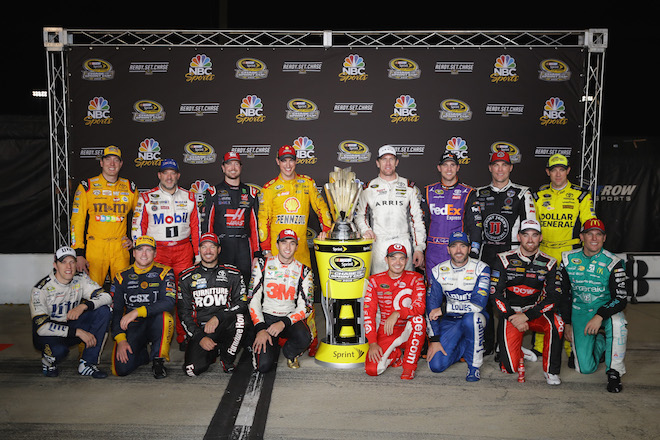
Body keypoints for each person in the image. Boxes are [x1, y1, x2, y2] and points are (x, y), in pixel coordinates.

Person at [258, 145, 331, 355]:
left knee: (305, 298)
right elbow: (263, 220)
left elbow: (322, 208)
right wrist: (266, 250)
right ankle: (280, 336)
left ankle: (311, 338)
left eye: (291, 160)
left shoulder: (307, 183)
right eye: (284, 160)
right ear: (278, 162)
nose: (288, 164)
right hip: (276, 255)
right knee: (277, 298)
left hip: (301, 253)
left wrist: (326, 229)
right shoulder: (270, 188)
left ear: (296, 161)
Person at [131, 158, 200, 350]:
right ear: (159, 175)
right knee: (154, 294)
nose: (169, 177)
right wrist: (141, 253)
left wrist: (198, 254)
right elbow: (137, 227)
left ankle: (183, 335)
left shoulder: (189, 197)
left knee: (184, 295)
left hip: (183, 250)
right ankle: (155, 336)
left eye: (173, 173)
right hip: (157, 252)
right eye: (165, 173)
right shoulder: (146, 197)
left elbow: (196, 228)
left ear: (178, 175)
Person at [531, 153, 595, 355]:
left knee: (571, 300)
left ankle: (569, 345)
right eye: (554, 170)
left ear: (568, 171)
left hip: (571, 253)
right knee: (542, 298)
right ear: (548, 172)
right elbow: (532, 225)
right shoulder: (538, 196)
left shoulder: (581, 195)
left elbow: (589, 225)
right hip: (544, 252)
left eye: (562, 169)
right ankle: (540, 345)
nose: (558, 174)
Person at [475, 151, 537, 355]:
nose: (500, 169)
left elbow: (530, 228)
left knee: (507, 300)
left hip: (512, 254)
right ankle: (487, 344)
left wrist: (526, 257)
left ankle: (505, 344)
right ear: (490, 167)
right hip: (486, 253)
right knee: (485, 299)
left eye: (504, 165)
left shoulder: (522, 193)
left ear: (511, 168)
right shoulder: (479, 193)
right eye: (496, 165)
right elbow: (473, 227)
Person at [491, 219, 564, 385]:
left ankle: (551, 371)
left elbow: (554, 297)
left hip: (534, 312)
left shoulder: (550, 263)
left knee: (558, 323)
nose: (530, 239)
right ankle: (518, 351)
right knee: (509, 368)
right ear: (519, 237)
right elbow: (495, 294)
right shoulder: (503, 259)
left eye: (534, 235)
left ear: (540, 238)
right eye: (526, 235)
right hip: (510, 314)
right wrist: (513, 316)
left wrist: (527, 316)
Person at [560, 218, 628, 392]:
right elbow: (563, 295)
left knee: (619, 323)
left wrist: (600, 315)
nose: (594, 238)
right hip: (580, 311)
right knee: (585, 368)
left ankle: (614, 372)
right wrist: (567, 323)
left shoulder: (613, 262)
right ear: (582, 237)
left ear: (604, 238)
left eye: (599, 234)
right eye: (590, 234)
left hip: (606, 311)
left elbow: (621, 298)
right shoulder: (567, 259)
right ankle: (601, 342)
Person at [29, 246, 112, 378]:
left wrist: (83, 306)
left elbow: (107, 297)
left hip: (71, 325)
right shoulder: (41, 290)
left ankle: (87, 364)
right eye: (63, 262)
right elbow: (42, 328)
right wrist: (78, 332)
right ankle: (48, 361)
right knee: (59, 351)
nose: (68, 267)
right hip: (49, 333)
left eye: (72, 262)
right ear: (55, 265)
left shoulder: (80, 279)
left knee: (104, 311)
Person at [178, 232, 249, 376]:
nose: (208, 251)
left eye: (212, 247)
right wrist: (200, 337)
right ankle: (213, 351)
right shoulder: (186, 277)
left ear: (219, 249)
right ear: (199, 250)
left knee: (241, 321)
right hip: (201, 330)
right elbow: (183, 313)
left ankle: (227, 359)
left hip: (225, 325)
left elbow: (242, 303)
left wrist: (219, 317)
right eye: (204, 247)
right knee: (191, 370)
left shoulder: (233, 273)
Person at [70, 145, 139, 286]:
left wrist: (136, 241)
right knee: (93, 291)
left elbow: (141, 217)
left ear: (121, 164)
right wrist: (78, 252)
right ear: (101, 162)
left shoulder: (129, 187)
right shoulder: (87, 186)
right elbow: (77, 221)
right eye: (108, 160)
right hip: (95, 247)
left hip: (120, 247)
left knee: (122, 290)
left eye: (116, 160)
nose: (112, 164)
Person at [426, 232, 490, 381]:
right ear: (448, 249)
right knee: (436, 366)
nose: (459, 250)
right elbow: (431, 308)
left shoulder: (482, 268)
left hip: (475, 318)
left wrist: (444, 309)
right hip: (451, 321)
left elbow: (478, 305)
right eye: (454, 246)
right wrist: (434, 340)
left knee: (471, 319)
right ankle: (465, 345)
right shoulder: (438, 271)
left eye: (463, 246)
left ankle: (474, 367)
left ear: (469, 249)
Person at [110, 236, 176, 378]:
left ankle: (158, 360)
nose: (144, 254)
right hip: (133, 325)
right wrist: (121, 339)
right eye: (140, 250)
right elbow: (116, 311)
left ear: (155, 253)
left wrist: (137, 311)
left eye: (149, 250)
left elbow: (169, 302)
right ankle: (141, 354)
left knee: (166, 317)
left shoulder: (165, 272)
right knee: (120, 370)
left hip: (155, 322)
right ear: (134, 253)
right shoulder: (121, 276)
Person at [249, 229, 313, 373]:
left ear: (297, 247)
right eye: (284, 243)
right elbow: (253, 298)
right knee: (263, 367)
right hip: (266, 317)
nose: (288, 247)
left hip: (288, 318)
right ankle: (266, 344)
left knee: (306, 337)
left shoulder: (304, 271)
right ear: (277, 245)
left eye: (292, 243)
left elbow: (307, 307)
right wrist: (260, 328)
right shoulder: (262, 264)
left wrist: (284, 322)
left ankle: (290, 352)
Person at [355, 145, 426, 275]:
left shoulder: (409, 187)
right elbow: (360, 215)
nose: (388, 163)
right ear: (378, 163)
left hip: (403, 242)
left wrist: (419, 248)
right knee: (380, 284)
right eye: (384, 159)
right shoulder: (368, 188)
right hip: (379, 244)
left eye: (391, 159)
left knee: (405, 285)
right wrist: (365, 230)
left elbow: (417, 219)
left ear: (396, 162)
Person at [363, 243, 426, 380]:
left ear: (407, 260)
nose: (398, 263)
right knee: (372, 369)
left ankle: (409, 367)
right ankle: (395, 354)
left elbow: (420, 308)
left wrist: (397, 313)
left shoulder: (416, 278)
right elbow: (368, 314)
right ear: (386, 260)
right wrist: (372, 342)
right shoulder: (374, 281)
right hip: (387, 331)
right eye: (393, 258)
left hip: (408, 329)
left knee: (418, 321)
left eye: (401, 258)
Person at [201, 151, 260, 285]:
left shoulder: (251, 193)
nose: (233, 168)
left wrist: (257, 253)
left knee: (245, 284)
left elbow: (255, 227)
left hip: (244, 249)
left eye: (236, 164)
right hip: (222, 247)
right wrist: (207, 249)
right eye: (229, 164)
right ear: (223, 167)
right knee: (221, 284)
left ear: (241, 167)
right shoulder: (213, 192)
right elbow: (207, 225)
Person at [424, 150, 481, 283]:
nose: (449, 169)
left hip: (458, 252)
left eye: (452, 165)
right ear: (439, 168)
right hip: (433, 252)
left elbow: (476, 225)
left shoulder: (468, 192)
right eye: (445, 165)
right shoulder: (428, 191)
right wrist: (420, 250)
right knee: (433, 291)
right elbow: (422, 224)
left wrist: (474, 250)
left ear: (458, 167)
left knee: (457, 289)